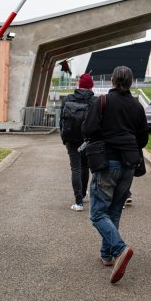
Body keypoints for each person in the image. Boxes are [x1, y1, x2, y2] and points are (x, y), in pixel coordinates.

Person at [81, 65, 148, 284]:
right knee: (115, 210)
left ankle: (120, 249)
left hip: (106, 161)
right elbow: (143, 139)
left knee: (98, 213)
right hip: (129, 163)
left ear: (112, 80)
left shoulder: (102, 102)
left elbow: (88, 130)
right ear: (130, 83)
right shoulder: (137, 106)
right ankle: (107, 255)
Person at [59, 73, 94, 211]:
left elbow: (62, 120)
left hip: (71, 139)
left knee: (75, 168)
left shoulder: (68, 98)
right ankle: (83, 193)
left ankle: (78, 202)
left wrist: (63, 136)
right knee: (85, 166)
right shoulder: (94, 101)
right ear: (91, 86)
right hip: (87, 139)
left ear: (79, 85)